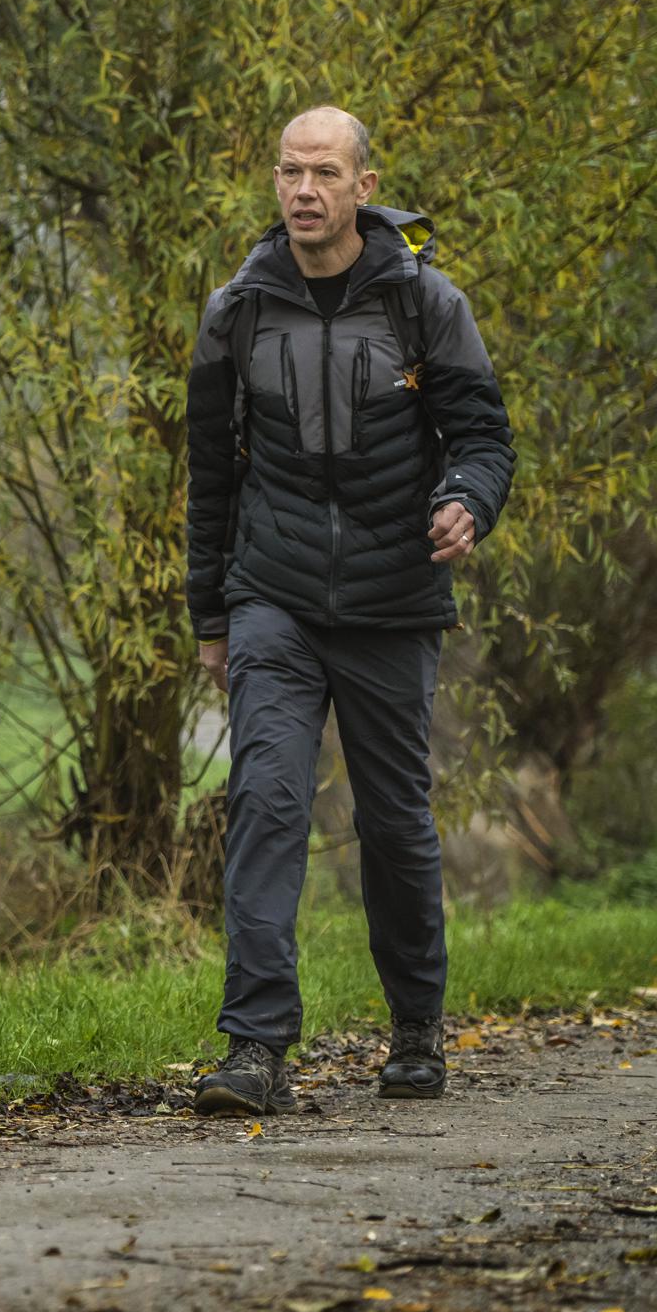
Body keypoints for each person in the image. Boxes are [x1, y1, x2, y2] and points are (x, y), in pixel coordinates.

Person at [180, 106, 516, 1116]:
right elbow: (208, 478)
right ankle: (255, 1048)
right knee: (267, 802)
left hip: (391, 598)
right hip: (271, 594)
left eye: (323, 171)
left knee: (393, 820)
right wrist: (211, 618)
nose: (302, 190)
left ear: (363, 186)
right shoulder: (236, 309)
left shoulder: (424, 303)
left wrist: (468, 501)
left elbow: (484, 439)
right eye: (287, 170)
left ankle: (415, 1027)